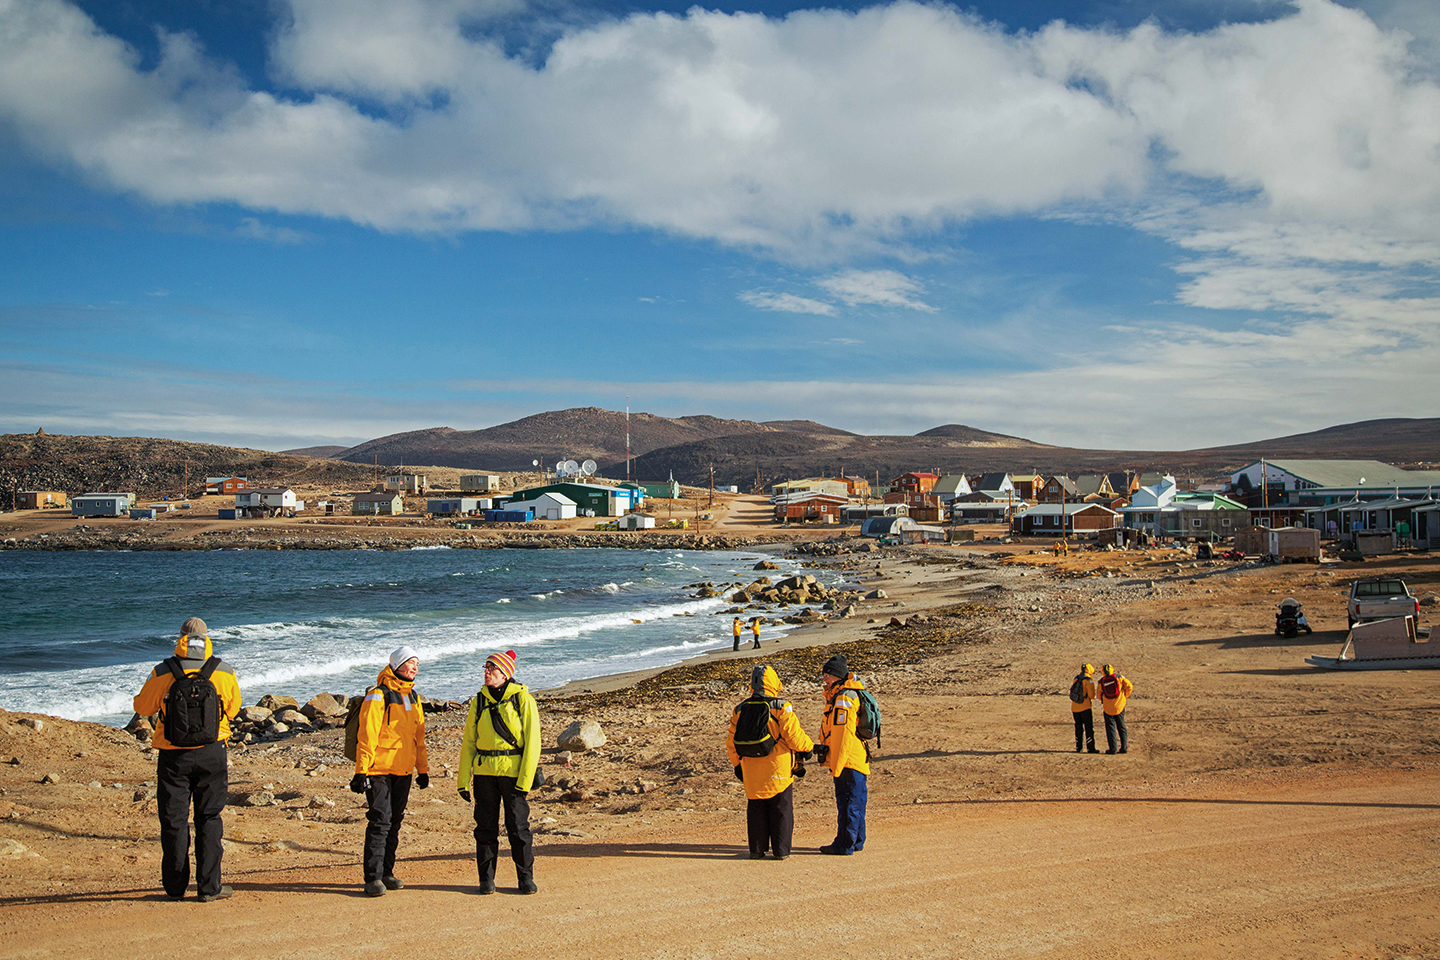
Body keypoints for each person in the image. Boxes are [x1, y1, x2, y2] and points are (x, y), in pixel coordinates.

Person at [132, 617, 242, 902]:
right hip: (212, 752)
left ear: (180, 637)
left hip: (173, 754)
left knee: (174, 821)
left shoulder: (162, 671)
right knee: (209, 818)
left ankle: (175, 887)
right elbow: (234, 708)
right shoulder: (223, 671)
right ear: (206, 638)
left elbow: (143, 707)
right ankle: (209, 888)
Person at [458, 650, 540, 895]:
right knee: (485, 828)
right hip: (484, 774)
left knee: (518, 828)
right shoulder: (479, 701)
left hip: (513, 775)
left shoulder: (523, 699)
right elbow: (469, 743)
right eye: (485, 667)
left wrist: (525, 780)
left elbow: (533, 742)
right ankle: (486, 880)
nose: (486, 671)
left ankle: (525, 878)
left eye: (492, 668)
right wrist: (463, 780)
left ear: (504, 673)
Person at [351, 646, 430, 897]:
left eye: (417, 663)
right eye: (410, 663)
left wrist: (423, 769)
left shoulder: (414, 697)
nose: (415, 667)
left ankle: (387, 873)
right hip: (379, 770)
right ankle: (372, 878)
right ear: (396, 666)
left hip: (404, 770)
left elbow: (419, 738)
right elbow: (367, 735)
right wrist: (360, 771)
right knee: (380, 821)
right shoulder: (378, 695)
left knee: (395, 821)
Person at [726, 664, 814, 860]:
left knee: (756, 809)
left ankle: (757, 849)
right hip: (778, 767)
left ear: (752, 684)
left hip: (751, 768)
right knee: (781, 809)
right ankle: (781, 851)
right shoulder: (782, 707)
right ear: (774, 683)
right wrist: (808, 749)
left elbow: (731, 741)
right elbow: (794, 736)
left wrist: (737, 765)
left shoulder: (740, 709)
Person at [814, 654, 869, 855]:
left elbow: (843, 735)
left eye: (827, 675)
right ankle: (856, 841)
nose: (824, 680)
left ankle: (844, 844)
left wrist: (836, 765)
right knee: (856, 801)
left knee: (848, 803)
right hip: (855, 758)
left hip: (848, 760)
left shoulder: (843, 698)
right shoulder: (843, 695)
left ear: (837, 676)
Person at [1098, 663, 1134, 755]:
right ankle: (1124, 747)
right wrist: (1124, 696)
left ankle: (1112, 749)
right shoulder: (1119, 677)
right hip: (1119, 706)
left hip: (1108, 708)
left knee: (1110, 728)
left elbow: (1099, 694)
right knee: (1121, 726)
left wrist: (1104, 700)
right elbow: (1129, 686)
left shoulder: (1101, 681)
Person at [1071, 663, 1100, 754]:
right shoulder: (1089, 680)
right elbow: (1091, 695)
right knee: (1088, 728)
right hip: (1085, 707)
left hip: (1074, 707)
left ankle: (1078, 747)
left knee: (1078, 727)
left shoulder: (1076, 678)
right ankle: (1090, 748)